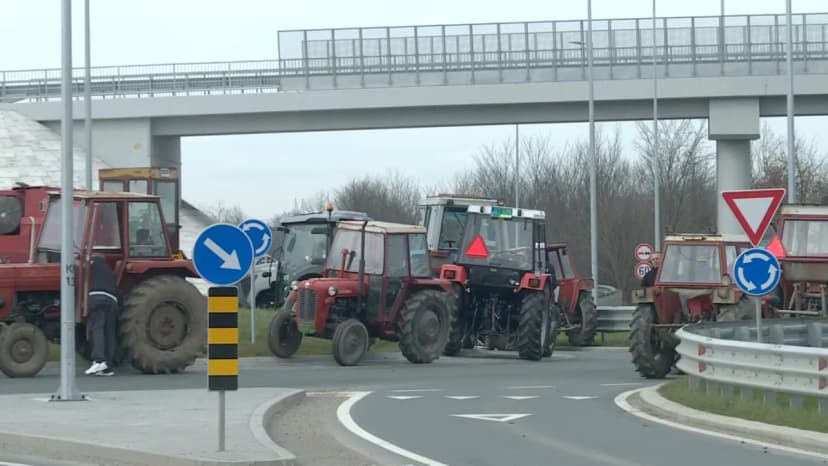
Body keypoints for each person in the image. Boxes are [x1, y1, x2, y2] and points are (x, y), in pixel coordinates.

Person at [84, 255, 119, 377]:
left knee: (97, 327)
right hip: (112, 300)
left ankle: (99, 360)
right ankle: (107, 365)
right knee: (109, 331)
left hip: (97, 297)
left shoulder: (91, 265)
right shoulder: (107, 269)